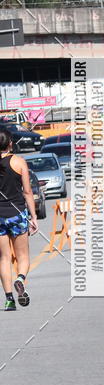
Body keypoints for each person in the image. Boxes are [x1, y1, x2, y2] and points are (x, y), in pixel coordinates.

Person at [0, 128, 38, 311]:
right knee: (23, 256)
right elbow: (27, 192)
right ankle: (20, 279)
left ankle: (9, 300)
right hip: (17, 214)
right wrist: (34, 216)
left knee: (4, 258)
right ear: (10, 143)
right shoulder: (19, 162)